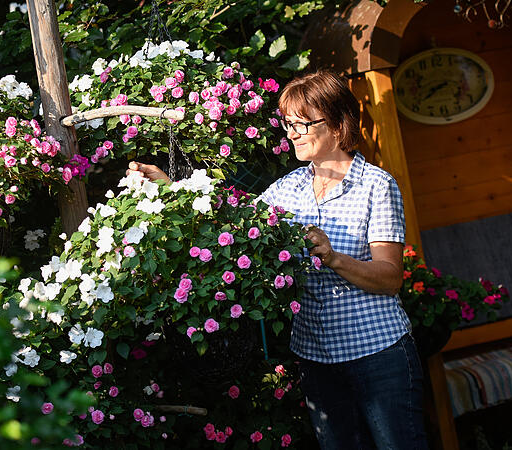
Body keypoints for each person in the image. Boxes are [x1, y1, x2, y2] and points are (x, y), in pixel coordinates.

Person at [127, 70, 427, 450]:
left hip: (378, 354)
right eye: (288, 123)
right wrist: (167, 185)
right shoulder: (291, 187)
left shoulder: (376, 186)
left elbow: (390, 277)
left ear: (338, 124)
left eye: (303, 122)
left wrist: (333, 257)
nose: (293, 132)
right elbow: (231, 222)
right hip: (317, 357)